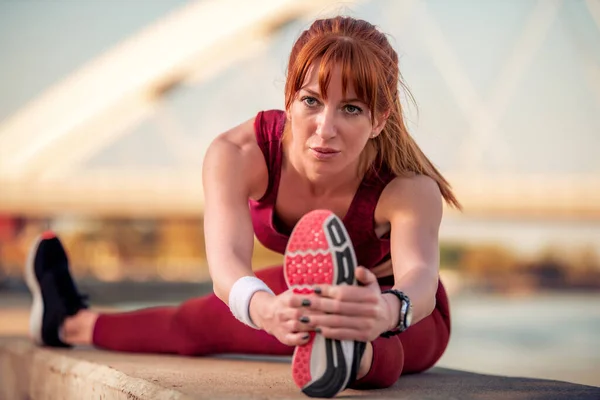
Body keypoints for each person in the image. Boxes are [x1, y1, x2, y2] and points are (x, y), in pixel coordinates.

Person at [25, 16, 460, 398]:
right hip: (299, 292)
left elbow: (419, 278)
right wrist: (267, 310)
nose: (325, 129)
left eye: (350, 109)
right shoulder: (238, 153)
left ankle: (355, 355)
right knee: (194, 324)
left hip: (402, 312)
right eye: (311, 101)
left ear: (379, 119)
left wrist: (385, 309)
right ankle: (66, 323)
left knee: (383, 342)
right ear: (289, 97)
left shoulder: (406, 187)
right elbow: (228, 266)